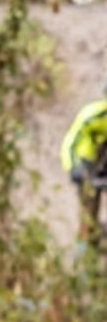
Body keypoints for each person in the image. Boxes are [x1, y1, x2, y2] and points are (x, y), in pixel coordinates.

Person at [60, 86, 107, 249]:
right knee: (89, 212)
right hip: (85, 165)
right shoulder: (93, 115)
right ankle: (85, 253)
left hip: (103, 163)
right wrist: (74, 168)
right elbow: (70, 143)